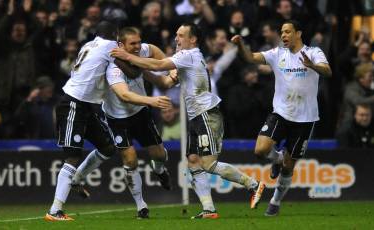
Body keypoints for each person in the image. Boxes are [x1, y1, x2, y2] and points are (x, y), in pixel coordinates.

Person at [111, 22, 265, 219]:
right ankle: (209, 209)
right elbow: (166, 81)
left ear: (192, 39)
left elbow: (158, 64)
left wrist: (127, 57)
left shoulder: (188, 55)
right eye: (176, 34)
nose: (176, 38)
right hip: (196, 116)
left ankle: (253, 185)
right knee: (193, 161)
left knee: (208, 164)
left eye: (181, 35)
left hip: (206, 114)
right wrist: (140, 71)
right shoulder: (186, 59)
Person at [232, 20, 332, 216]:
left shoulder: (313, 52)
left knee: (289, 166)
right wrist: (240, 45)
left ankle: (275, 202)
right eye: (282, 32)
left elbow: (328, 71)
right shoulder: (277, 54)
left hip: (305, 118)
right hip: (281, 113)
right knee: (260, 150)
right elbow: (251, 58)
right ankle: (276, 159)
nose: (284, 35)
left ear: (298, 33)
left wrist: (312, 66)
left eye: (288, 32)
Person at [44, 21, 139, 221]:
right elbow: (133, 72)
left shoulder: (89, 44)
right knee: (72, 156)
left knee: (107, 147)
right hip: (73, 103)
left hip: (86, 105)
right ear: (114, 34)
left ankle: (77, 178)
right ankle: (55, 210)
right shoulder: (109, 47)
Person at [102, 27, 173, 219]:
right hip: (118, 118)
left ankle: (159, 169)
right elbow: (125, 95)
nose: (137, 46)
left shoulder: (139, 51)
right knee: (130, 159)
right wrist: (152, 101)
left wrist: (170, 67)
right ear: (120, 45)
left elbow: (155, 50)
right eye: (132, 43)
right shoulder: (113, 68)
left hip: (140, 113)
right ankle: (141, 206)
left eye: (138, 42)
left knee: (159, 155)